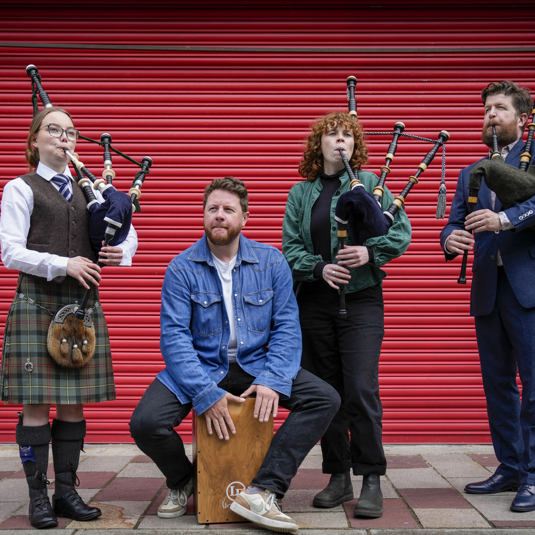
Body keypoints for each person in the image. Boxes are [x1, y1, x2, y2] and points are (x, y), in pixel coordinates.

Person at [129, 176, 340, 534]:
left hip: (256, 366)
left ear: (245, 217)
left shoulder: (272, 262)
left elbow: (287, 327)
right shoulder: (181, 268)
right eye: (212, 209)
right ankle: (184, 481)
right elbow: (175, 339)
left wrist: (273, 380)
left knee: (324, 399)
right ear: (203, 216)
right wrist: (204, 394)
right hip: (202, 368)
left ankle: (264, 489)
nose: (219, 216)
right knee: (145, 423)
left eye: (228, 209)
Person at [0, 106, 138, 529]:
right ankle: (38, 497)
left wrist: (123, 253)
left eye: (71, 132)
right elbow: (10, 252)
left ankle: (66, 493)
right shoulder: (20, 188)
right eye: (54, 130)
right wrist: (64, 264)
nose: (64, 138)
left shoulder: (90, 188)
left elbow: (127, 229)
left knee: (75, 406)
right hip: (37, 304)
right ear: (35, 140)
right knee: (37, 405)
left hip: (80, 308)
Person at [282, 111, 411, 518]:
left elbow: (399, 230)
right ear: (318, 145)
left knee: (360, 388)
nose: (341, 141)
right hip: (316, 303)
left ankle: (371, 475)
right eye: (332, 135)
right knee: (327, 393)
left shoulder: (371, 185)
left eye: (348, 136)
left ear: (356, 145)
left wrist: (369, 252)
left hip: (361, 300)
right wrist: (319, 267)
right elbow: (290, 249)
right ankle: (338, 475)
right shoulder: (301, 193)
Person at [440, 81, 535, 512]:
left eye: (499, 109)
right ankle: (510, 467)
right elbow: (453, 222)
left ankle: (533, 476)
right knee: (498, 385)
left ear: (521, 118)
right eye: (485, 110)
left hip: (528, 290)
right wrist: (450, 239)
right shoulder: (470, 171)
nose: (490, 116)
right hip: (488, 292)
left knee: (533, 386)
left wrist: (503, 219)